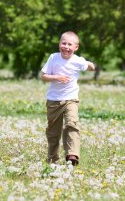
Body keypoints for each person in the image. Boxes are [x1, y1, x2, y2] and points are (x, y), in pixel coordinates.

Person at [40, 31, 95, 165]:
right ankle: (52, 158)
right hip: (53, 100)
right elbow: (43, 75)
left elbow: (91, 67)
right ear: (59, 44)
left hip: (71, 99)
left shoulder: (77, 60)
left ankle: (72, 155)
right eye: (63, 43)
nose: (66, 47)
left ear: (76, 47)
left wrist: (88, 64)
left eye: (70, 44)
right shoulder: (53, 58)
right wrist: (56, 77)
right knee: (53, 132)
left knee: (72, 124)